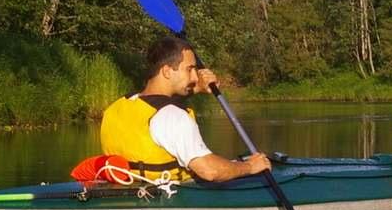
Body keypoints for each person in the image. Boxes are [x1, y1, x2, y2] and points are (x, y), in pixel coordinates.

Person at [100, 36, 272, 183]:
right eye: (189, 69)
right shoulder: (174, 117)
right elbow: (209, 171)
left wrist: (197, 89)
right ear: (167, 71)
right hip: (167, 197)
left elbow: (157, 107)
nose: (195, 77)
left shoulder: (119, 106)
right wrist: (249, 166)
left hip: (129, 187)